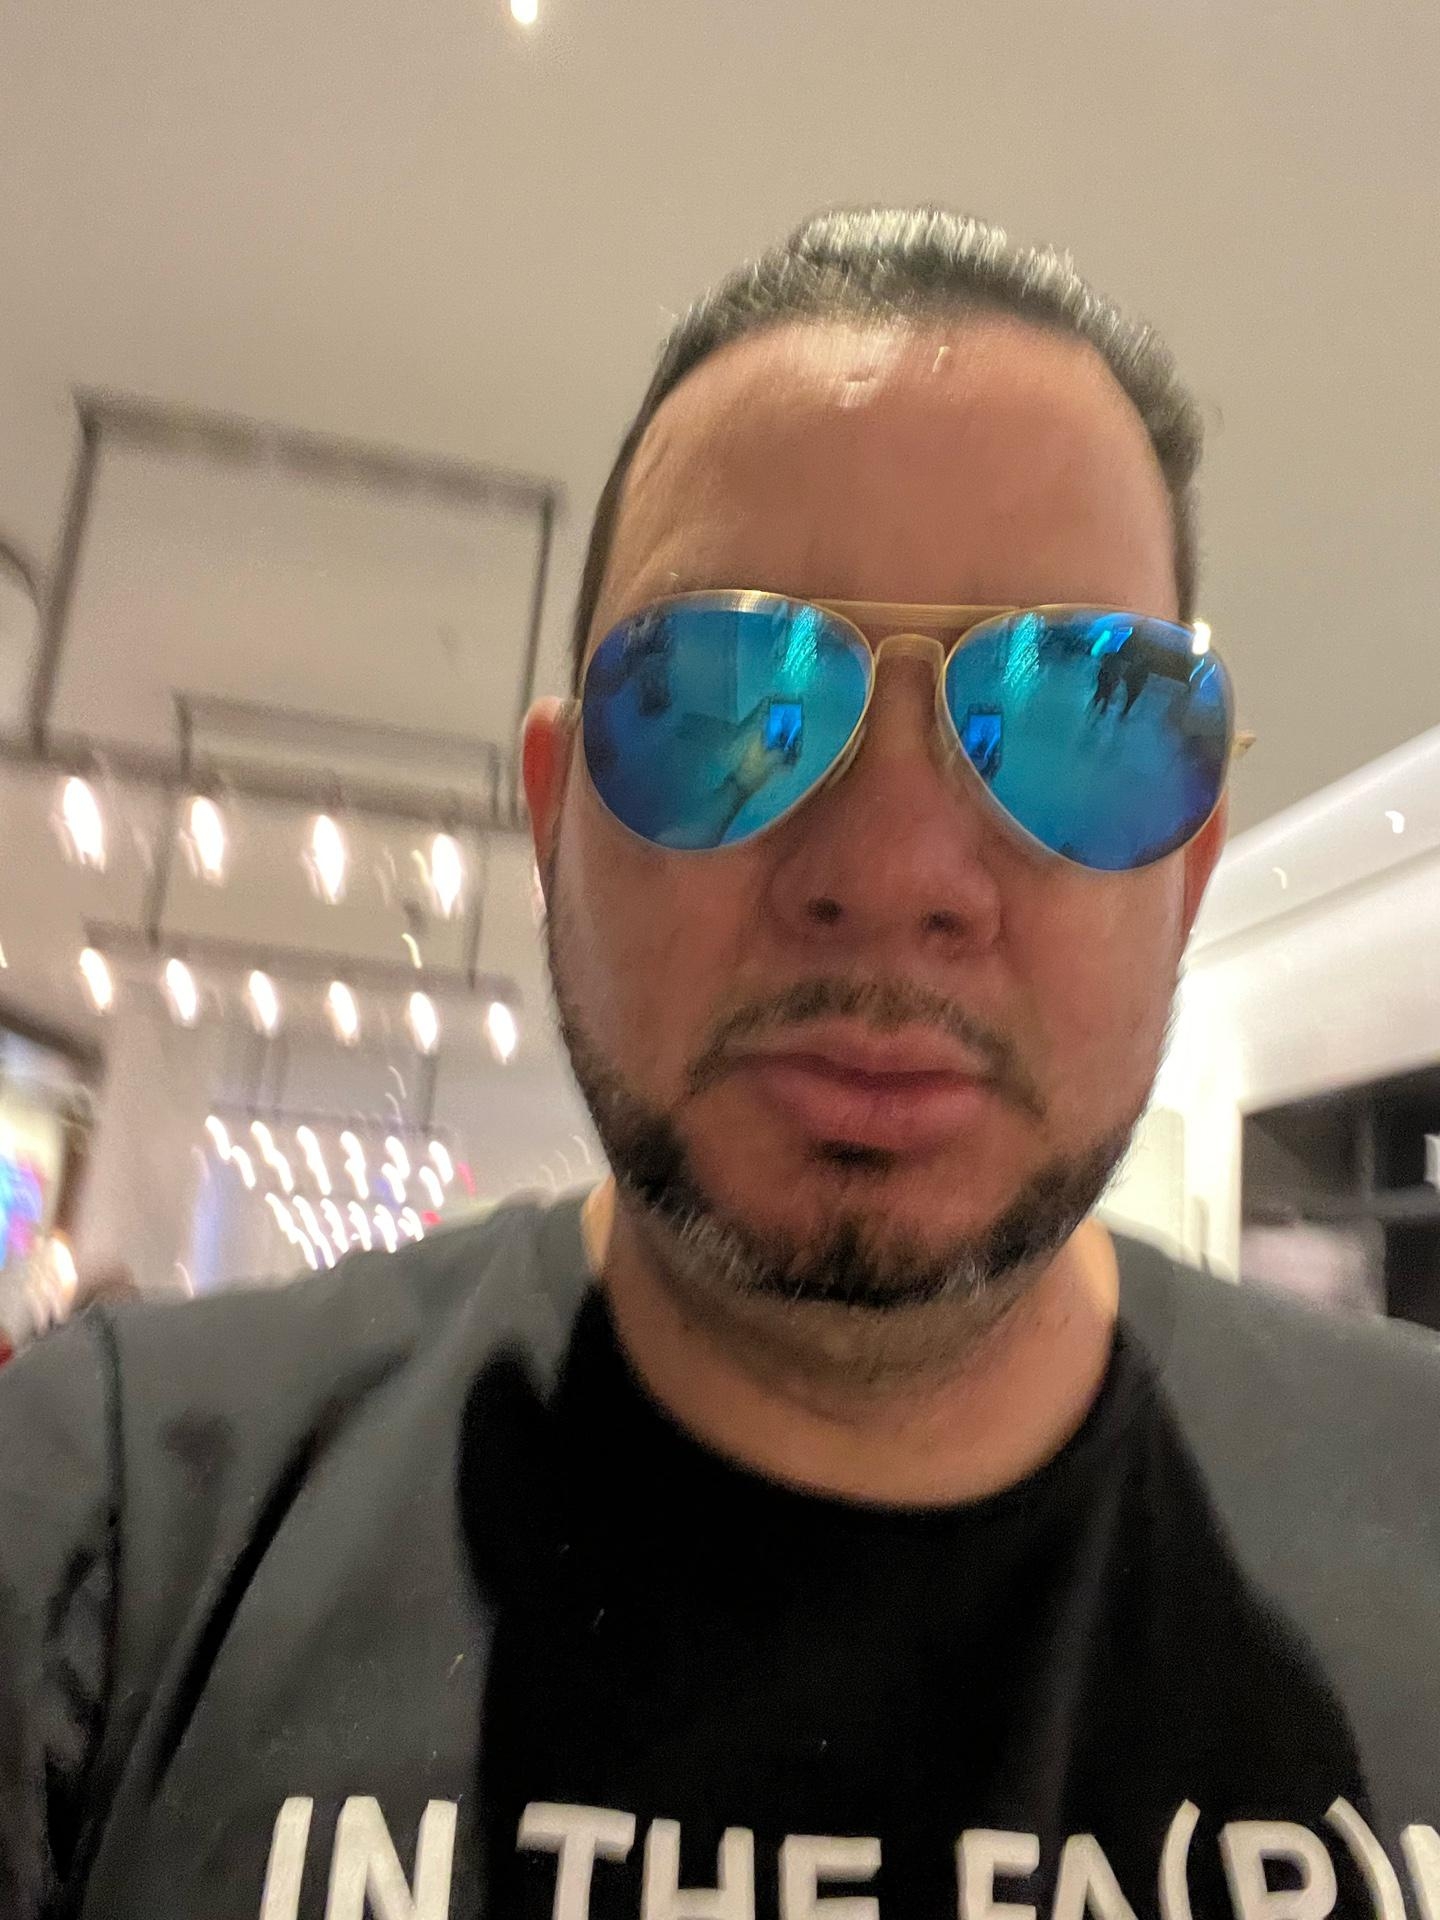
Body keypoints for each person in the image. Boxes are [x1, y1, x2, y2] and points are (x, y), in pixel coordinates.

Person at [3, 206, 1438, 1920]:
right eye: (720, 704)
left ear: (1190, 871)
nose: (892, 870)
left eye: (1079, 721)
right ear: (556, 822)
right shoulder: (106, 1530)